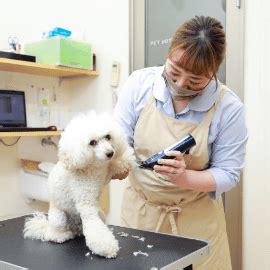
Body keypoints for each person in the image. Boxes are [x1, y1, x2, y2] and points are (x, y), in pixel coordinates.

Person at [113, 15, 248, 270]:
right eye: (174, 73)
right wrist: (116, 166)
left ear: (213, 72)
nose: (180, 84)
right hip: (140, 216)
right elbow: (120, 143)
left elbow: (228, 173)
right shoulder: (139, 85)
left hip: (196, 225)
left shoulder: (229, 108)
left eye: (195, 81)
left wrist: (184, 178)